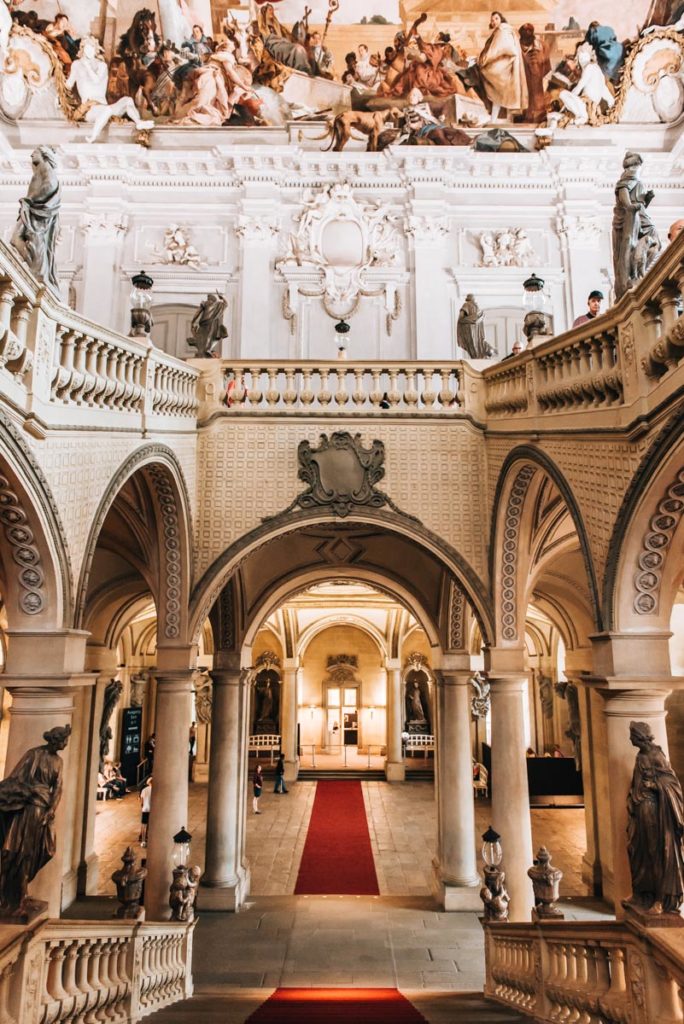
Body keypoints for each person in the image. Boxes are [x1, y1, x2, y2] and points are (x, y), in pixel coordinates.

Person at [627, 721, 684, 914]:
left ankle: (659, 899)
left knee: (656, 853)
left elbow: (671, 784)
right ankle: (641, 893)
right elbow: (635, 782)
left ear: (640, 737)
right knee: (636, 850)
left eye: (632, 736)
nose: (629, 739)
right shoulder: (640, 756)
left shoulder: (657, 756)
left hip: (654, 812)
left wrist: (654, 786)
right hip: (640, 809)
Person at [478, 11, 528, 121]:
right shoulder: (505, 30)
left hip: (505, 66)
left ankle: (495, 119)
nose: (494, 21)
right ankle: (495, 119)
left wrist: (483, 61)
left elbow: (496, 50)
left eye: (496, 18)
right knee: (500, 95)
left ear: (501, 19)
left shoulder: (502, 30)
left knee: (495, 88)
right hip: (507, 64)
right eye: (492, 20)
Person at [519, 24, 550, 122]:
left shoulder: (541, 44)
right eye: (525, 31)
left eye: (529, 31)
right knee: (526, 95)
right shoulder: (517, 45)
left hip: (537, 74)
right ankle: (528, 116)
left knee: (537, 96)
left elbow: (546, 62)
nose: (527, 33)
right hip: (523, 74)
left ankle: (538, 116)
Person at [139, 776, 152, 847]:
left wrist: (142, 806)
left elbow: (142, 801)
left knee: (144, 825)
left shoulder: (144, 790)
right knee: (151, 824)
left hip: (145, 809)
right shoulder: (156, 790)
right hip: (152, 810)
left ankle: (143, 840)